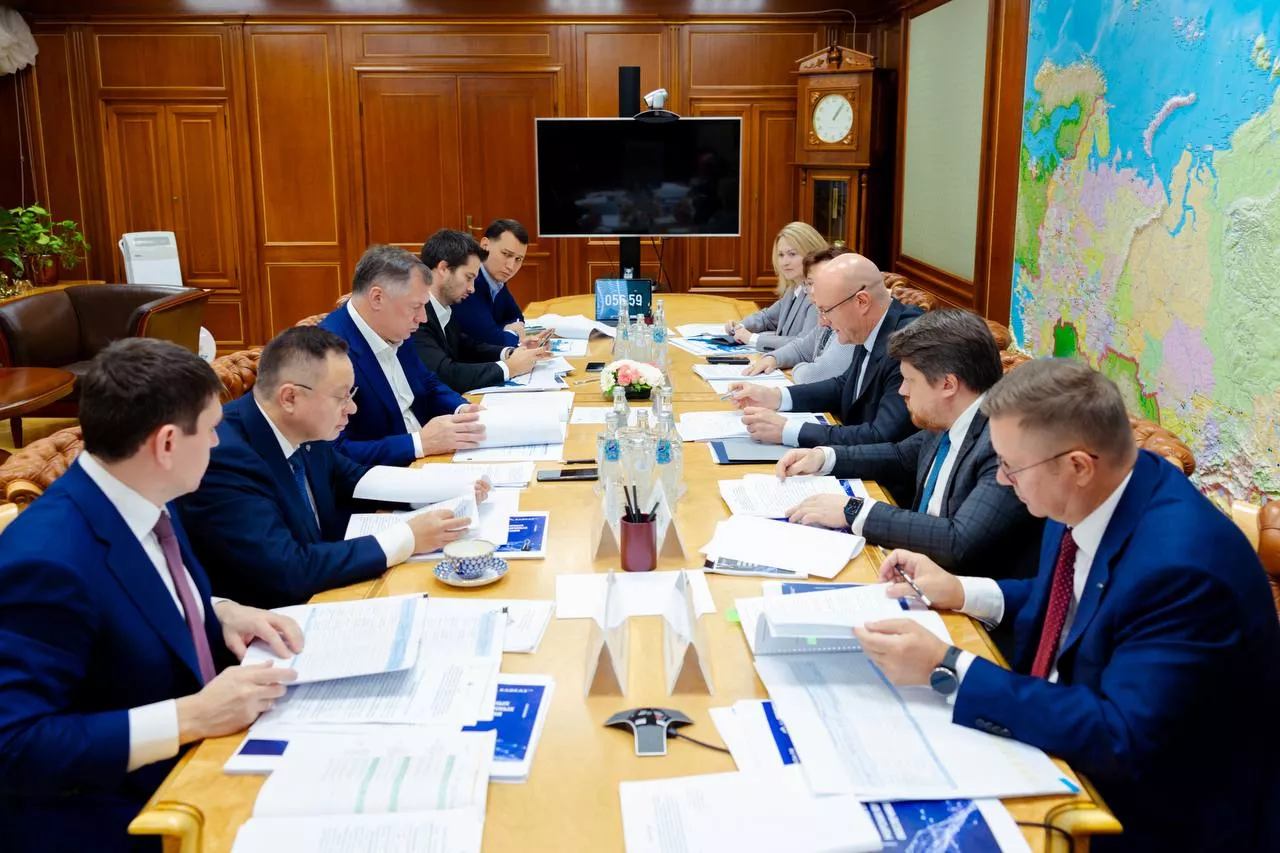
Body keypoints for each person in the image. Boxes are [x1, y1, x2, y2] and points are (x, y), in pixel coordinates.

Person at [852, 359, 1280, 852]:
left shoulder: (1182, 570)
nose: (1003, 481)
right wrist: (961, 590)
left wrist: (948, 667)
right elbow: (1072, 598)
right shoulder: (1101, 489)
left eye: (1011, 466)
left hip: (1151, 815)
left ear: (1078, 465)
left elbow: (1122, 737)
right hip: (1062, 747)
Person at [0, 339, 301, 852]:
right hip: (122, 811)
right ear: (166, 444)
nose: (218, 443)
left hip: (202, 760)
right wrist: (192, 716)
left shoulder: (145, 494)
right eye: (210, 430)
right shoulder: (46, 561)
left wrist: (216, 610)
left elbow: (134, 601)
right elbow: (17, 745)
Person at [177, 326, 486, 609]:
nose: (351, 408)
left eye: (351, 394)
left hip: (325, 588)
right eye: (341, 397)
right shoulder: (223, 455)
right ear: (290, 397)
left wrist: (453, 488)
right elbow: (287, 569)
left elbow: (352, 478)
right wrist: (407, 538)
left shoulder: (303, 427)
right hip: (277, 618)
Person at [777, 309, 1040, 577]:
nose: (902, 390)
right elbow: (900, 456)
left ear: (948, 384)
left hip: (955, 591)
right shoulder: (950, 417)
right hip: (911, 568)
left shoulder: (1003, 443)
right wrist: (824, 457)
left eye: (909, 380)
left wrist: (854, 510)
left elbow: (958, 540)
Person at [732, 250, 923, 451]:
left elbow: (881, 436)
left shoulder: (908, 342)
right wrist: (775, 397)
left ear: (861, 302)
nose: (823, 323)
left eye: (826, 310)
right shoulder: (870, 325)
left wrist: (789, 430)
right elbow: (844, 386)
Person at [319, 244, 485, 467]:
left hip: (433, 455)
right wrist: (419, 443)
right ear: (377, 298)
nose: (423, 318)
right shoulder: (327, 353)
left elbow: (426, 383)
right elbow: (333, 452)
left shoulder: (394, 325)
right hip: (391, 473)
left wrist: (463, 409)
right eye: (415, 307)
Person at [411, 229, 549, 394]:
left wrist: (510, 353)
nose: (472, 288)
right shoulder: (416, 315)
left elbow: (466, 347)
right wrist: (509, 368)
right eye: (468, 278)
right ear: (443, 268)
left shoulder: (442, 307)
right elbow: (445, 374)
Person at [743, 246, 857, 384]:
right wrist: (773, 358)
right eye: (810, 283)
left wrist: (797, 369)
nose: (813, 290)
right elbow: (802, 348)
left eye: (823, 282)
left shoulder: (851, 321)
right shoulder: (826, 312)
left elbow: (814, 376)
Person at [722, 221, 825, 351]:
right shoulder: (794, 288)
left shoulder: (819, 295)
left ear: (812, 254)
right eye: (781, 255)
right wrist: (740, 326)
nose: (784, 262)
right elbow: (767, 318)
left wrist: (753, 339)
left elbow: (805, 344)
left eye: (792, 254)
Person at [450, 219, 531, 348]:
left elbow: (516, 317)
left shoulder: (496, 279)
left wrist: (502, 330)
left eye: (518, 259)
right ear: (485, 245)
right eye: (506, 254)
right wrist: (511, 332)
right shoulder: (469, 282)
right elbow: (490, 339)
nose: (511, 266)